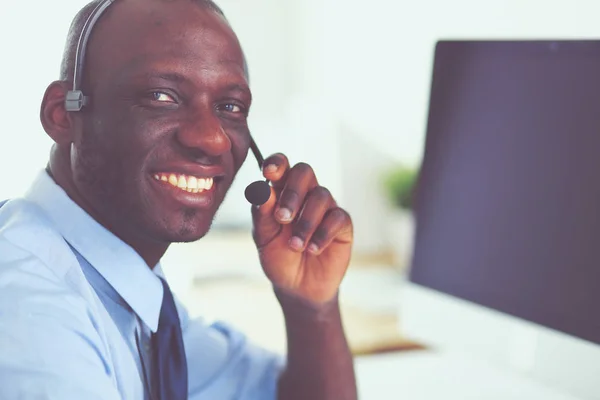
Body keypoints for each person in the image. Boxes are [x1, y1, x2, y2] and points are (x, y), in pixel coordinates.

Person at [0, 0, 357, 399]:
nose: (212, 138)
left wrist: (311, 305)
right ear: (62, 115)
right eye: (161, 96)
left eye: (229, 107)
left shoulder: (132, 293)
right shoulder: (28, 310)